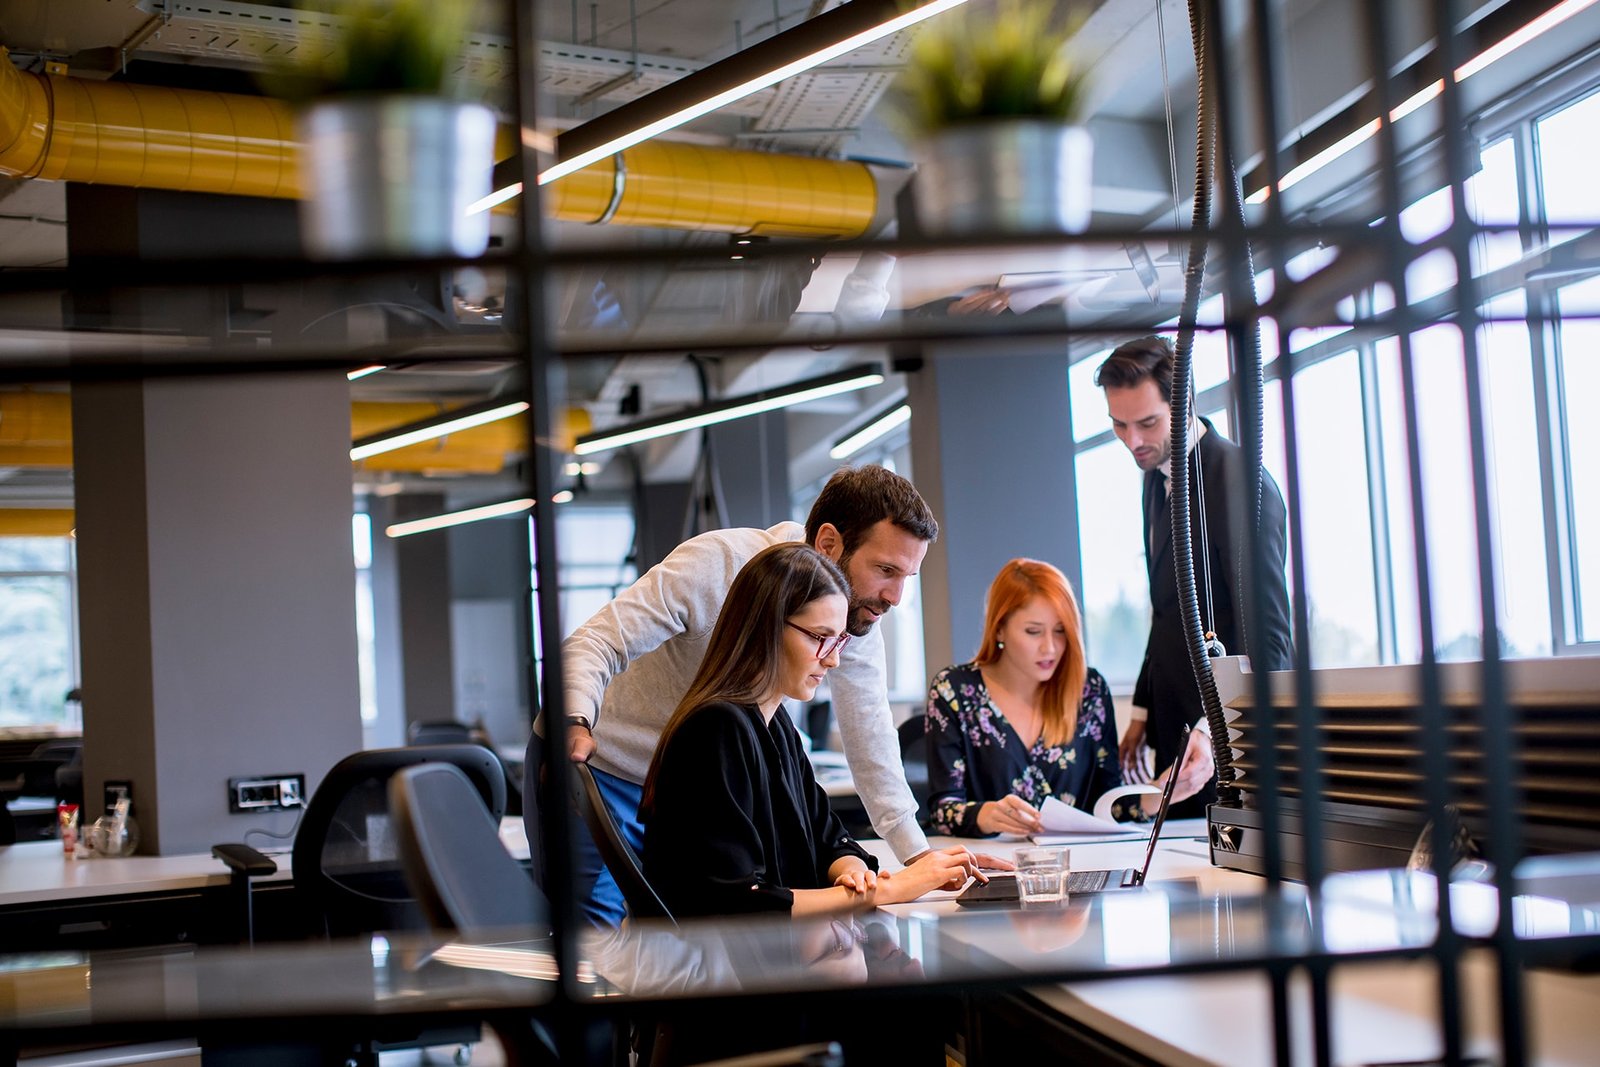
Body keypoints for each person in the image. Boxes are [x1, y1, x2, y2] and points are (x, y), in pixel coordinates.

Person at [549, 464, 996, 925]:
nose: (896, 597)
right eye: (885, 570)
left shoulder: (846, 625)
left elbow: (871, 737)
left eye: (907, 577)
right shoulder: (716, 565)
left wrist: (916, 858)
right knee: (598, 948)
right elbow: (597, 642)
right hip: (604, 764)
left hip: (713, 786)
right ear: (828, 543)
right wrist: (575, 717)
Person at [641, 543, 975, 918]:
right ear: (765, 627)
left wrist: (853, 873)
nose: (832, 659)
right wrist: (889, 889)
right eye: (819, 637)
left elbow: (828, 838)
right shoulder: (715, 729)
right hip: (719, 967)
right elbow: (741, 901)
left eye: (839, 640)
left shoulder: (775, 722)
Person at [1096, 336, 1294, 818]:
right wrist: (1141, 709)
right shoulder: (1155, 476)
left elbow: (1270, 644)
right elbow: (1168, 609)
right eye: (1119, 425)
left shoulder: (1238, 481)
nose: (1133, 441)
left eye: (1147, 423)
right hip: (1175, 731)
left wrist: (1213, 731)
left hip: (1227, 744)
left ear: (1184, 404)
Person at [925, 558, 1123, 836]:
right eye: (1033, 632)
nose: (1050, 648)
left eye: (1060, 631)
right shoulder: (953, 690)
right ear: (999, 628)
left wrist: (1158, 795)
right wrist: (985, 815)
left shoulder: (1088, 690)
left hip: (1080, 864)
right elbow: (943, 812)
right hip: (991, 868)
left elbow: (1112, 804)